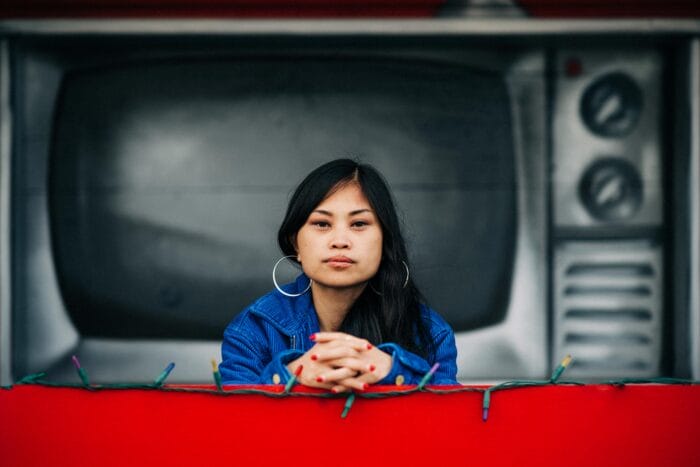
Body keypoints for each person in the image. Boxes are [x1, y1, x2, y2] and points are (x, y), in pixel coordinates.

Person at [220, 159, 458, 391]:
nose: (340, 241)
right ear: (296, 245)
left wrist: (394, 372)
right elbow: (231, 425)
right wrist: (289, 376)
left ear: (385, 242)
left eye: (359, 223)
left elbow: (451, 423)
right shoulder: (253, 330)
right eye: (322, 224)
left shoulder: (431, 332)